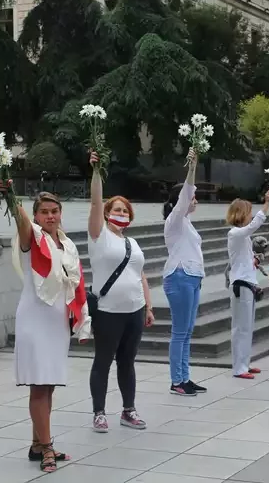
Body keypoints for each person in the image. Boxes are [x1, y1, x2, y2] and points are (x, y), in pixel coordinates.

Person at [0, 184, 89, 473]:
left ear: (60, 213)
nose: (50, 216)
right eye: (44, 212)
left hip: (57, 320)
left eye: (54, 211)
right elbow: (21, 221)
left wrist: (80, 318)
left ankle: (38, 444)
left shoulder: (67, 244)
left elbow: (75, 285)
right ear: (36, 216)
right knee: (39, 385)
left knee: (48, 384)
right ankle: (47, 446)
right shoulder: (32, 238)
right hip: (35, 319)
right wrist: (12, 198)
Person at [88, 152, 154, 433]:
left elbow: (141, 275)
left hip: (134, 310)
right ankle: (99, 412)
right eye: (116, 210)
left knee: (127, 362)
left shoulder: (133, 242)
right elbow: (94, 201)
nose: (121, 214)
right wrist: (96, 171)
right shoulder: (99, 236)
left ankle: (129, 409)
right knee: (103, 361)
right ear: (106, 214)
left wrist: (148, 307)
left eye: (125, 211)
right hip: (108, 312)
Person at [163, 149, 206, 397]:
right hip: (180, 276)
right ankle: (176, 380)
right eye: (193, 197)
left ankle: (185, 377)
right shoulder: (175, 219)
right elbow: (185, 195)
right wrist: (192, 166)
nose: (195, 200)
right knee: (179, 331)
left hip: (192, 277)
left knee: (187, 330)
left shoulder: (186, 223)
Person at [227, 190, 269, 379]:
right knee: (241, 327)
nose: (251, 216)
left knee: (247, 326)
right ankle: (239, 367)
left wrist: (252, 261)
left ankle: (244, 364)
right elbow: (254, 226)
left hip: (248, 282)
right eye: (249, 212)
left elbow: (242, 258)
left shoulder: (242, 236)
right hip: (241, 284)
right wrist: (266, 204)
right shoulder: (235, 233)